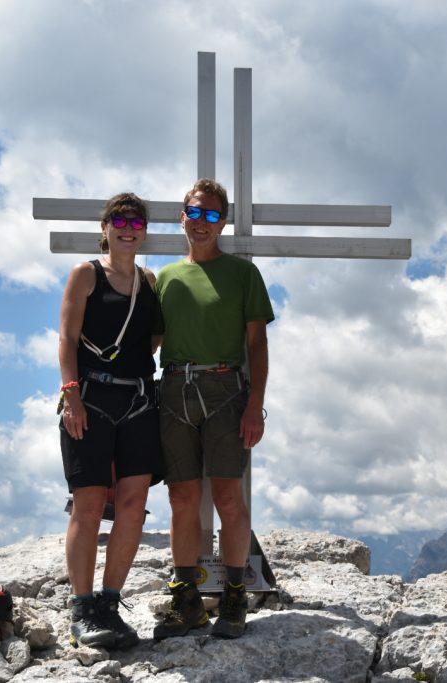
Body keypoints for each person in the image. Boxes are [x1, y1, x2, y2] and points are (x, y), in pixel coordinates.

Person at [153, 178, 274, 640]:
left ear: (222, 221)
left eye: (210, 214)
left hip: (227, 390)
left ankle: (235, 597)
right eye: (193, 212)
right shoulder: (165, 278)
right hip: (175, 390)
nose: (200, 222)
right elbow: (151, 343)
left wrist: (256, 405)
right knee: (181, 498)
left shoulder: (242, 274)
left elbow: (257, 344)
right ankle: (186, 601)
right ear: (182, 215)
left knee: (228, 496)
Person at [58, 192, 163, 649]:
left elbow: (154, 339)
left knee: (133, 506)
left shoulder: (149, 280)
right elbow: (67, 337)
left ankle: (109, 601)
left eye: (136, 222)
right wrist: (71, 396)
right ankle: (82, 607)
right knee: (88, 503)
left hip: (139, 400)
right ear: (104, 228)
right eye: (119, 220)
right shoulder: (85, 274)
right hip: (92, 399)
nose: (128, 228)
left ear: (144, 230)